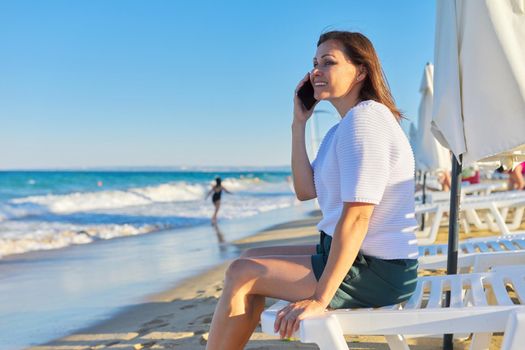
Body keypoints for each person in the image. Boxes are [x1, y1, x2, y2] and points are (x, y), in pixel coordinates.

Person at [206, 31, 419, 349]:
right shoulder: (341, 128)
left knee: (242, 272)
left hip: (378, 270)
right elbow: (305, 190)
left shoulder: (366, 120)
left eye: (328, 62)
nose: (315, 71)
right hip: (359, 259)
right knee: (248, 259)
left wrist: (321, 298)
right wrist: (299, 123)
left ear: (360, 71)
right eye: (314, 63)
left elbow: (358, 218)